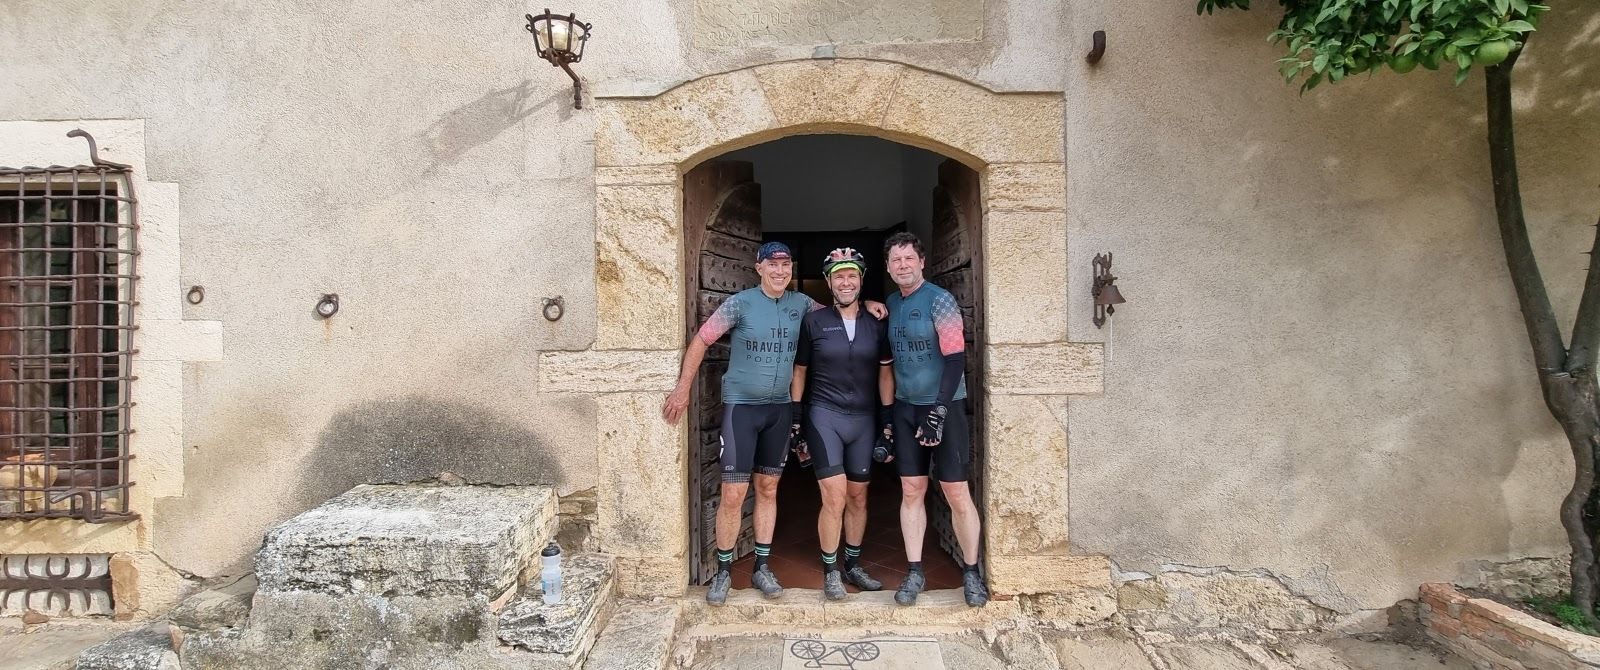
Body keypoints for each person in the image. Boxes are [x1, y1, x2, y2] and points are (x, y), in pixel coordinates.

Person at [661, 241, 885, 606]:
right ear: (759, 267)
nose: (781, 271)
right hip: (742, 410)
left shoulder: (802, 305)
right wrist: (682, 390)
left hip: (779, 410)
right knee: (733, 494)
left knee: (768, 490)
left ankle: (762, 567)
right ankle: (722, 572)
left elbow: (842, 307)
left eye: (786, 265)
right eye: (773, 264)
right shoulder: (741, 303)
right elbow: (702, 340)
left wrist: (873, 301)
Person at [881, 231, 988, 608]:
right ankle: (914, 571)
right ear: (889, 266)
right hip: (907, 408)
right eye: (896, 260)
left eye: (909, 258)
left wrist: (939, 411)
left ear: (922, 262)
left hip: (945, 406)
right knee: (912, 490)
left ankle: (971, 572)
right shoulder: (892, 303)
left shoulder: (940, 301)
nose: (903, 265)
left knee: (956, 491)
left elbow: (956, 359)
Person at [790, 248, 894, 601]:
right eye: (838, 276)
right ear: (830, 283)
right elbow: (800, 370)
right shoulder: (814, 322)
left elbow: (885, 372)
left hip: (863, 419)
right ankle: (831, 570)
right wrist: (796, 413)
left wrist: (888, 418)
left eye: (851, 276)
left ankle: (853, 563)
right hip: (825, 416)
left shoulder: (877, 321)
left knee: (858, 497)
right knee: (833, 497)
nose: (845, 282)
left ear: (861, 281)